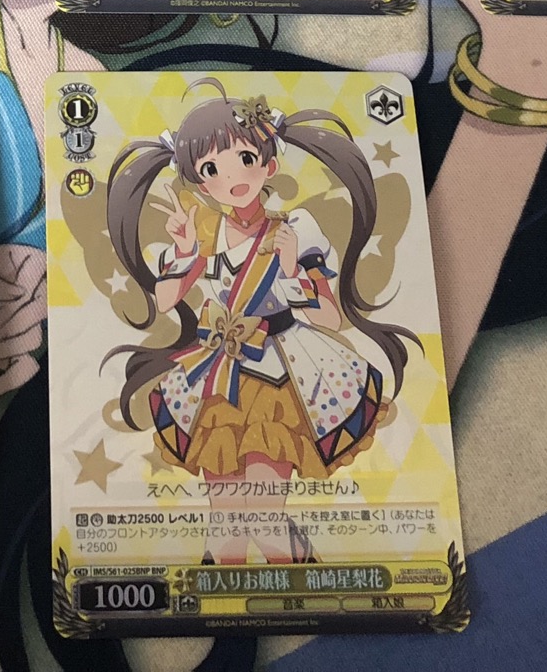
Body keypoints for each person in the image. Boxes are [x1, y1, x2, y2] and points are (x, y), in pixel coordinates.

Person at [103, 80, 412, 564]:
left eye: (244, 159)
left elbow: (330, 317)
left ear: (268, 165)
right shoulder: (204, 233)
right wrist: (184, 252)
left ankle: (301, 588)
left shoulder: (294, 229)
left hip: (282, 375)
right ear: (200, 181)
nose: (230, 177)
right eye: (211, 169)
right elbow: (164, 301)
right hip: (217, 379)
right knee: (225, 526)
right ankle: (220, 596)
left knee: (265, 520)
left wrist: (291, 271)